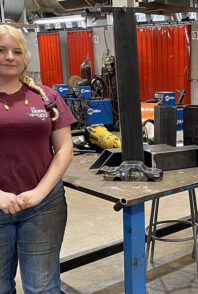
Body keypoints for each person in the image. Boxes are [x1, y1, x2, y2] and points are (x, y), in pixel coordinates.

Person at [0, 24, 76, 293]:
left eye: (16, 51)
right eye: (1, 50)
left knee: (42, 287)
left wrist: (39, 193)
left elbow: (65, 148)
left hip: (44, 206)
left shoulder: (46, 97)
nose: (9, 57)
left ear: (25, 59)